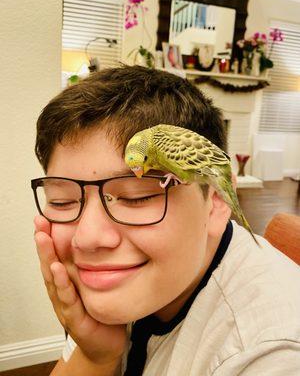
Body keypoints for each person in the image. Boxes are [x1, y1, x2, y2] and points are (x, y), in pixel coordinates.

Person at [32, 65, 300, 375]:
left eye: (137, 196)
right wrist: (96, 357)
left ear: (216, 200)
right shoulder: (132, 285)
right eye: (62, 201)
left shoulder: (270, 357)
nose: (87, 237)